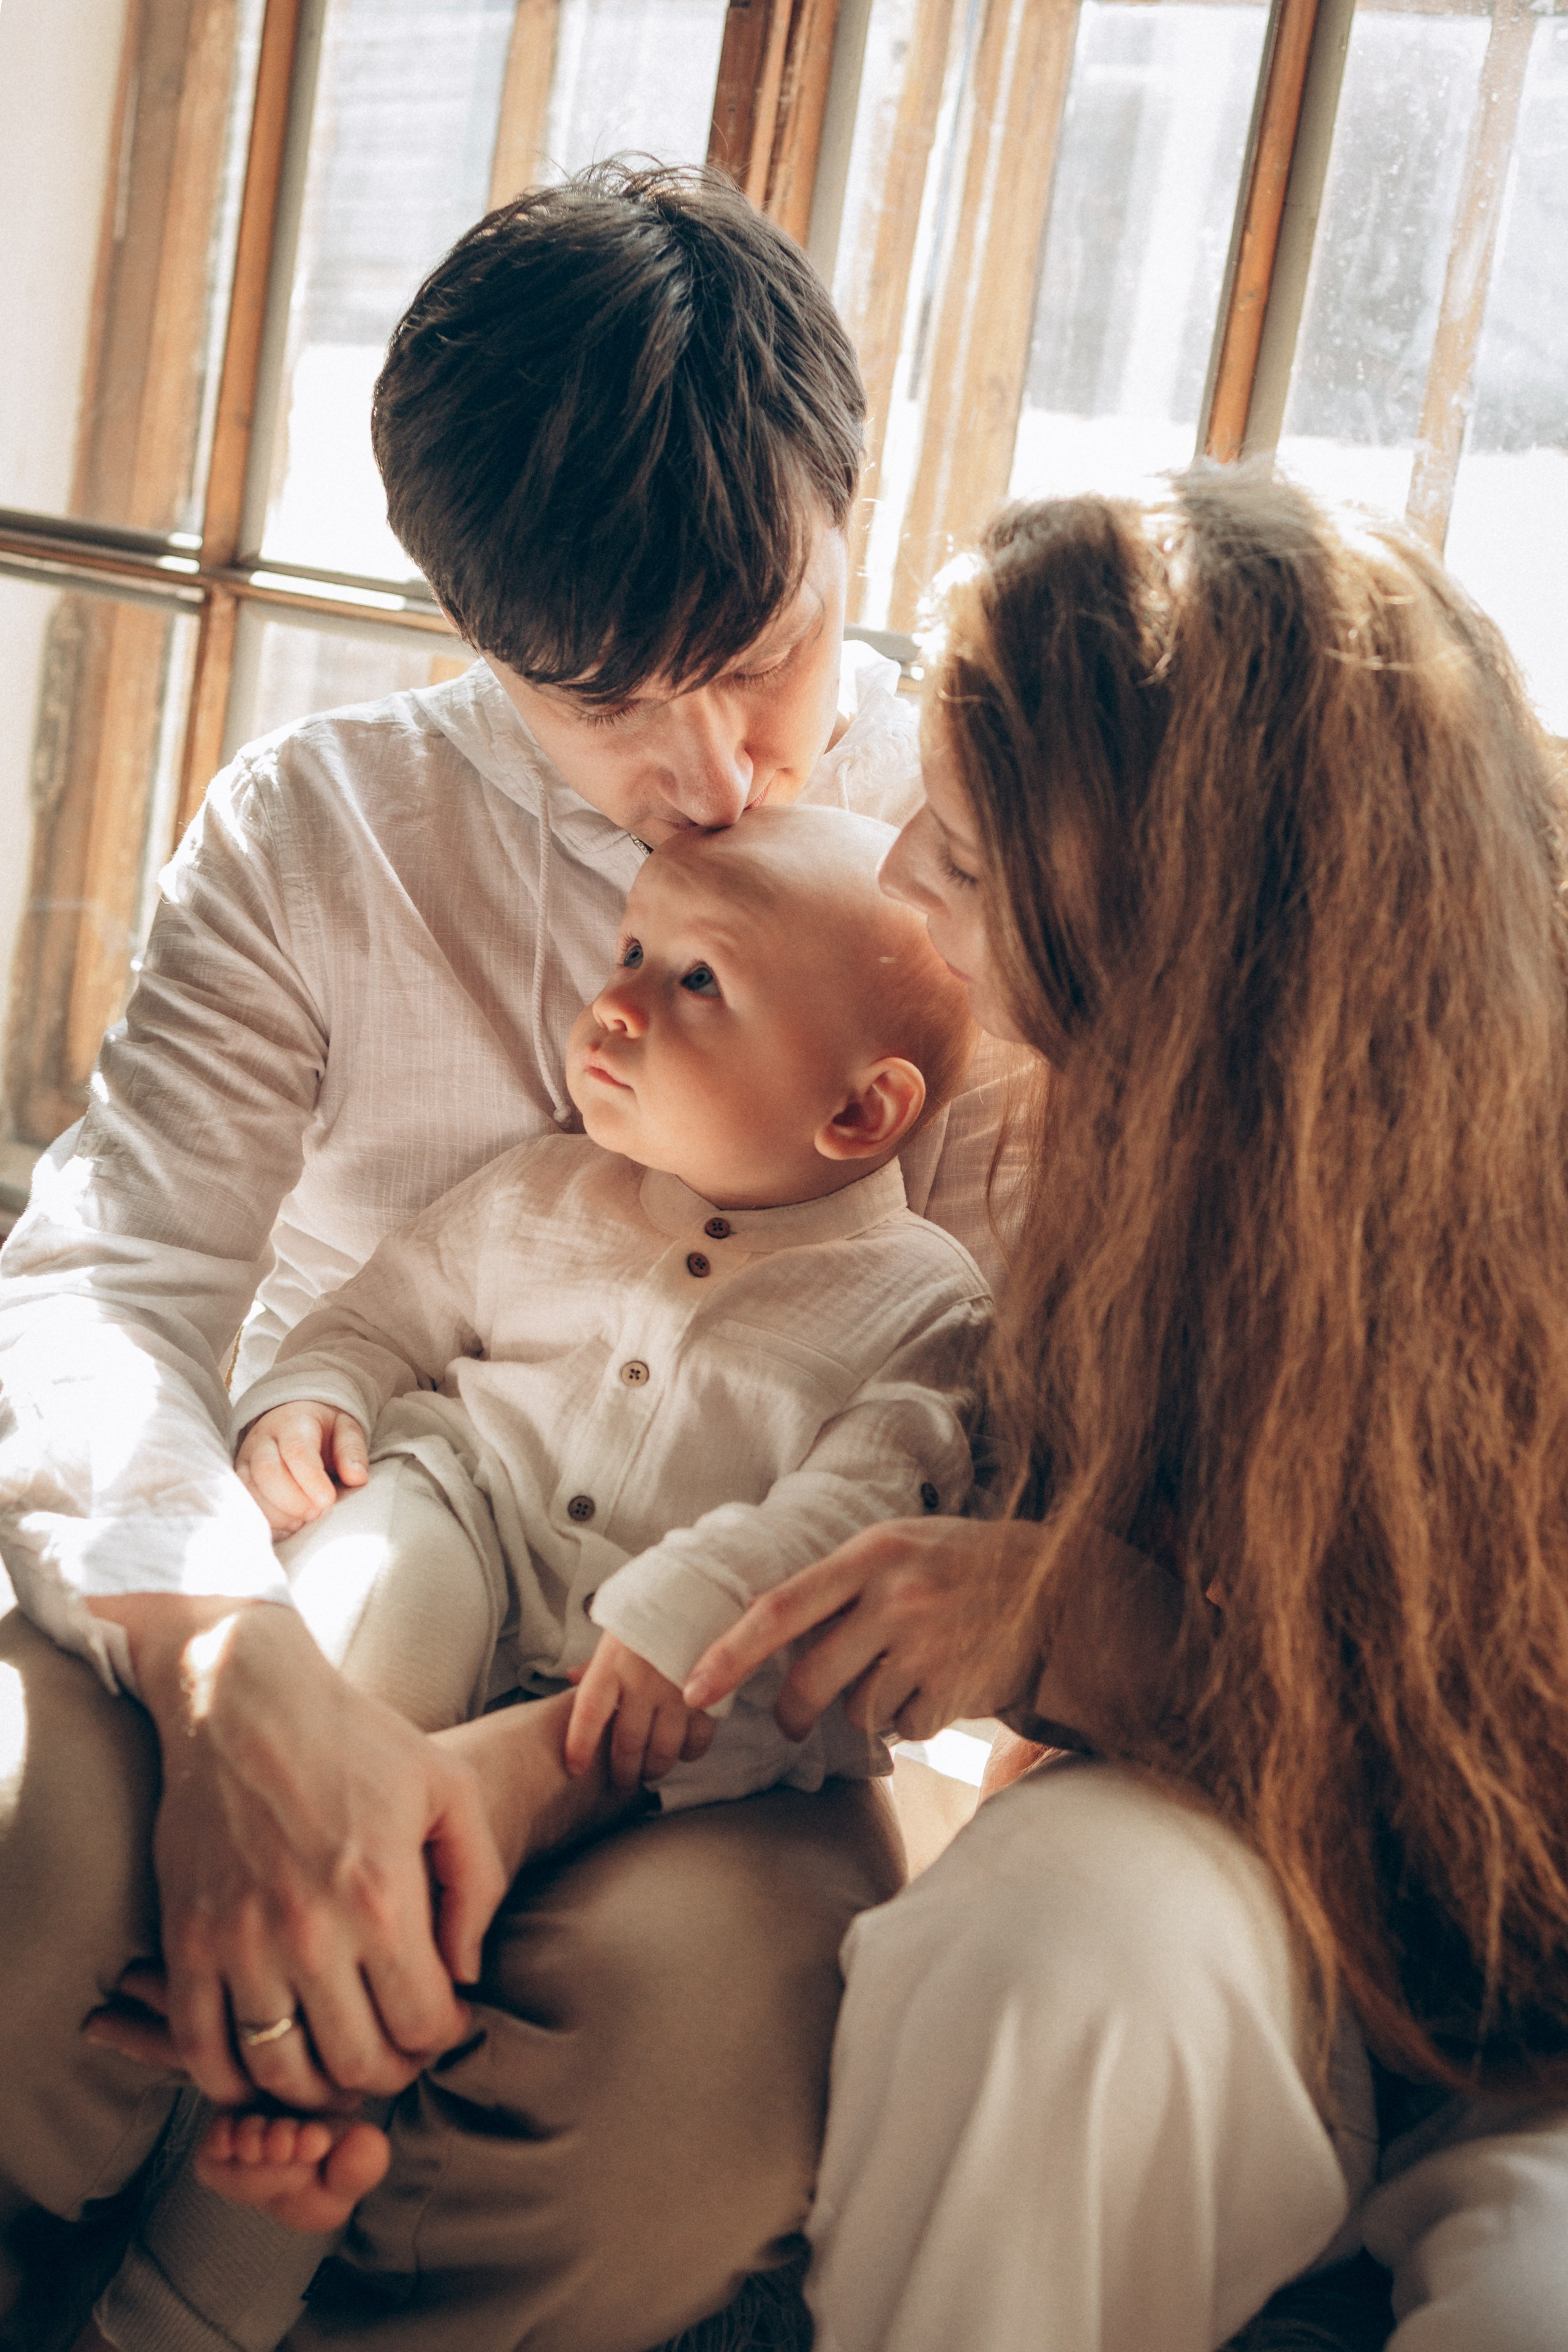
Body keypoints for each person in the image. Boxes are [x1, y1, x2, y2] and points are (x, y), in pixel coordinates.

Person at [0, 164, 1017, 2351]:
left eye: (765, 657)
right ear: (471, 637)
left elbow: (998, 1417)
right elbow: (104, 1281)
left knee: (665, 2079)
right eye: (603, 705)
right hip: (315, 1560)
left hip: (719, 1702)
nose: (714, 766)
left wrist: (538, 1761)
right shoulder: (323, 825)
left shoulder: (985, 859)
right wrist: (227, 1686)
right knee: (25, 1865)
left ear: (859, 499)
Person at [686, 470, 1568, 2350]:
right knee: (1046, 1953)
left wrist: (1097, 1620)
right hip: (1275, 1928)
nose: (901, 878)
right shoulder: (1097, 1134)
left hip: (1531, 2016)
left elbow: (1507, 1850)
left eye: (973, 860)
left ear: (1209, 931)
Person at [172, 801, 986, 2236]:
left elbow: (865, 1497)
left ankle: (296, 2115)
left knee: (621, 1849)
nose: (608, 1005)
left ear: (859, 1112)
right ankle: (292, 2018)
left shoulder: (922, 1304)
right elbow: (383, 1313)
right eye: (627, 948)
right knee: (375, 1594)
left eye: (695, 983)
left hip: (668, 1686)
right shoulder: (539, 1187)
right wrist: (307, 1398)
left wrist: (688, 1600)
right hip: (459, 1513)